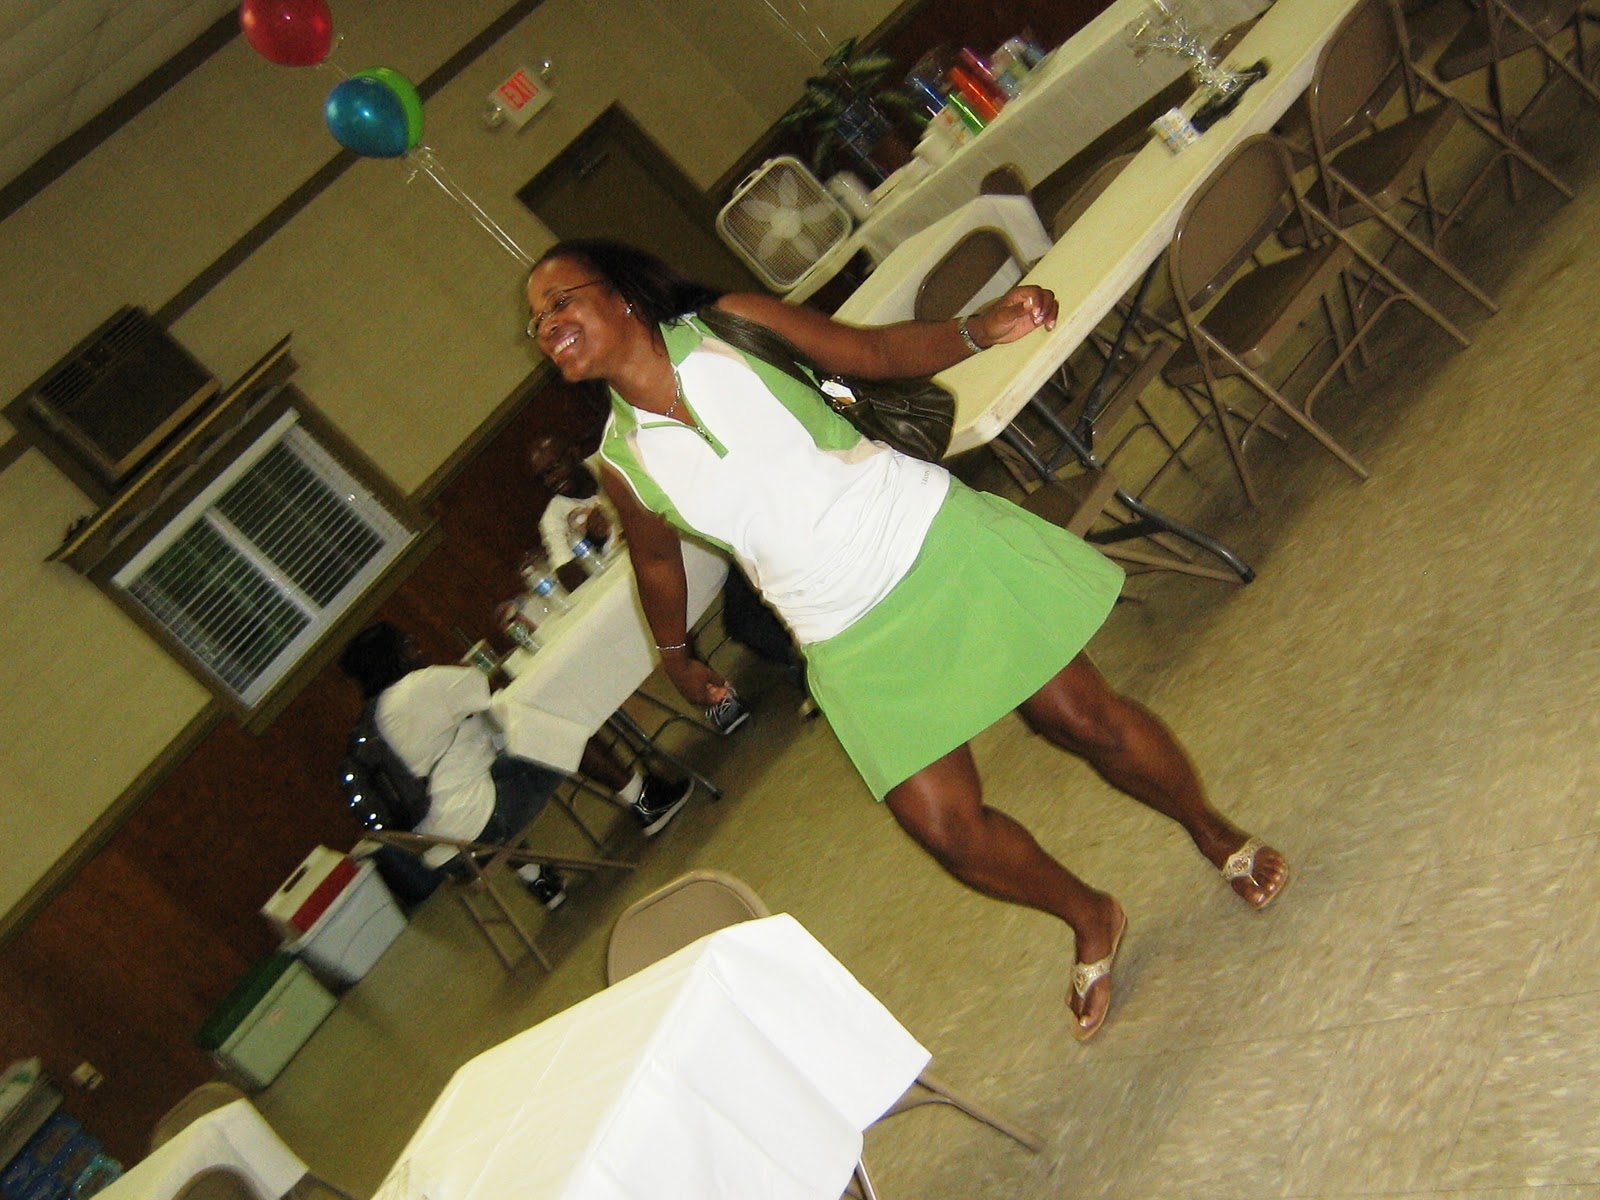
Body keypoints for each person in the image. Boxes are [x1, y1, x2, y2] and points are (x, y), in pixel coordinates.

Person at [525, 240, 1288, 1041]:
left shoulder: (727, 327)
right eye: (537, 321)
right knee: (947, 830)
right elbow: (655, 561)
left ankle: (1217, 834)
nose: (546, 326)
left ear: (619, 293)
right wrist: (676, 654)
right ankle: (1091, 914)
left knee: (1083, 719)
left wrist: (978, 330)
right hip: (837, 629)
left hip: (925, 540)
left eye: (559, 302)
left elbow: (874, 353)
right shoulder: (623, 459)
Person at [529, 435, 621, 594]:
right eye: (543, 477)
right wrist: (592, 541)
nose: (551, 480)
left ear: (574, 453)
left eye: (554, 467)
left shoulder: (610, 463)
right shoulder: (552, 518)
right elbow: (572, 583)